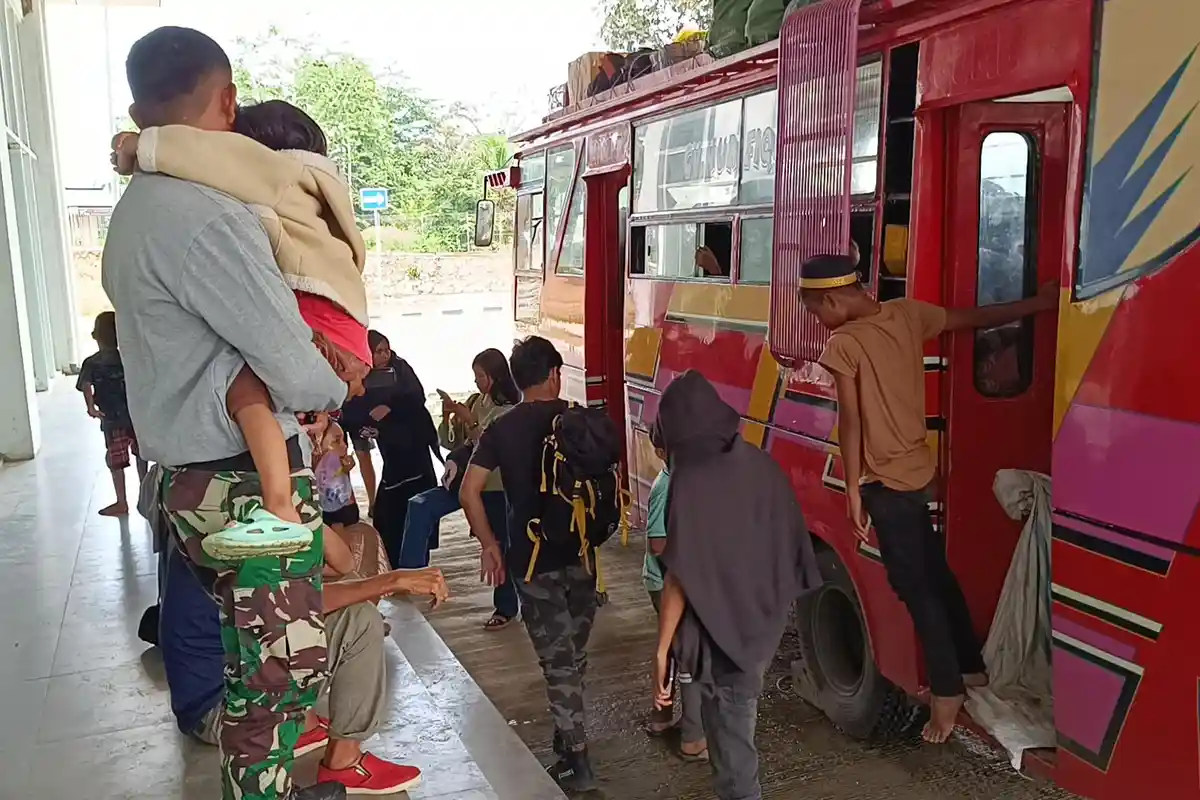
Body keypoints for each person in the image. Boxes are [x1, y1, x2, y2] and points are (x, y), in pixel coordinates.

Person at [102, 26, 369, 800]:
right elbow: (288, 362)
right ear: (226, 102)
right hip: (237, 481)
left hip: (193, 474)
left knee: (262, 665)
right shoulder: (208, 219)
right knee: (279, 676)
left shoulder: (136, 211)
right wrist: (338, 385)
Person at [800, 253, 1058, 744]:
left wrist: (853, 491)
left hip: (885, 484)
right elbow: (976, 319)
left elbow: (850, 424)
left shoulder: (845, 343)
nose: (821, 322)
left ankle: (946, 691)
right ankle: (971, 668)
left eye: (817, 313)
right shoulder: (906, 314)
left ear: (832, 300)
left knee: (916, 587)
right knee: (936, 575)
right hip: (920, 472)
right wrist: (1039, 304)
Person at [111, 99, 372, 562]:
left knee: (246, 387)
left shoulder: (272, 177)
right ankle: (300, 521)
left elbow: (198, 156)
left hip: (319, 325)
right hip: (340, 324)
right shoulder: (314, 183)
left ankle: (278, 505)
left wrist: (139, 144)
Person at [157, 518, 449, 795]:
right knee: (359, 620)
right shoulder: (230, 535)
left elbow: (342, 563)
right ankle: (343, 761)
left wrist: (301, 511)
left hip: (229, 690)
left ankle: (303, 724)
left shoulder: (220, 514)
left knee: (349, 590)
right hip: (222, 714)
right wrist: (390, 581)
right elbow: (293, 605)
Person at [653, 370, 822, 800]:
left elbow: (682, 571)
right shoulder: (759, 464)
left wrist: (662, 647)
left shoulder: (691, 479)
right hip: (763, 626)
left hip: (723, 637)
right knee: (735, 733)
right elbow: (787, 544)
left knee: (734, 758)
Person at [459, 336, 599, 792]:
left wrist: (489, 544)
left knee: (558, 660)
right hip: (580, 553)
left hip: (531, 558)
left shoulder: (502, 428)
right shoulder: (578, 418)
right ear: (555, 374)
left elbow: (468, 491)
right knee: (572, 655)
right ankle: (567, 738)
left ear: (517, 380)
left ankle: (576, 760)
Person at [401, 348, 521, 630]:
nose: (477, 381)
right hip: (467, 481)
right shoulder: (478, 401)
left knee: (499, 542)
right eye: (476, 376)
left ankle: (505, 607)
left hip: (495, 487)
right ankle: (411, 579)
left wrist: (470, 420)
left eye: (481, 376)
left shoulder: (509, 410)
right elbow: (459, 444)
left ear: (495, 376)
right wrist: (450, 420)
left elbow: (491, 446)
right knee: (419, 505)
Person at [343, 331, 441, 568]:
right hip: (394, 457)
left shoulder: (400, 370)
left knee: (408, 511)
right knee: (390, 516)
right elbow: (352, 412)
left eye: (386, 349)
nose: (384, 354)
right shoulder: (361, 374)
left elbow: (416, 398)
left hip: (413, 452)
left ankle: (410, 566)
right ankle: (401, 566)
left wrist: (390, 407)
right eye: (378, 351)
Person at [641, 426, 706, 761]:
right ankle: (693, 738)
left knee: (674, 652)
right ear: (662, 453)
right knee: (688, 659)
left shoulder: (675, 481)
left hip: (667, 583)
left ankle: (663, 719)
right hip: (667, 584)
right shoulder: (667, 486)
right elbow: (658, 542)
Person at [77, 311, 148, 517]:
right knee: (141, 456)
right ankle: (145, 495)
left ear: (94, 335)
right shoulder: (129, 359)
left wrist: (91, 407)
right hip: (135, 417)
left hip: (112, 420)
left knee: (116, 461)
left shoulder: (91, 363)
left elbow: (86, 386)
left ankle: (121, 502)